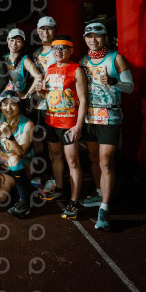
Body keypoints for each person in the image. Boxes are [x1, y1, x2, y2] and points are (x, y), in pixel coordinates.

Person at [79, 22, 134, 231]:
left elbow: (130, 87)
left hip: (110, 116)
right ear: (85, 39)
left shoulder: (116, 58)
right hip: (90, 117)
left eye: (98, 36)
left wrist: (113, 81)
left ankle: (104, 209)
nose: (93, 40)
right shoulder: (83, 61)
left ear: (105, 38)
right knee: (93, 158)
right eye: (89, 36)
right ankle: (99, 193)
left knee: (105, 161)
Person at [39, 34, 88, 220]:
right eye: (55, 48)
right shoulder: (50, 68)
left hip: (69, 124)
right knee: (56, 157)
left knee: (72, 161)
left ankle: (74, 201)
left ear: (71, 50)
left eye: (63, 48)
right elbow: (48, 95)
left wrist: (78, 126)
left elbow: (83, 100)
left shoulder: (76, 69)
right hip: (51, 122)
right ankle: (60, 189)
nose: (58, 51)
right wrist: (40, 92)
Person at [0, 89, 35, 218]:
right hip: (4, 168)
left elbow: (21, 152)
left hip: (23, 166)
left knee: (14, 159)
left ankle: (25, 203)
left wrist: (10, 136)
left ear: (19, 106)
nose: (8, 108)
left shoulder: (28, 124)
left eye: (13, 104)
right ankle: (17, 187)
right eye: (5, 104)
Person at [30, 16, 59, 198]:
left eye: (49, 28)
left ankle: (55, 180)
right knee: (38, 143)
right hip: (38, 104)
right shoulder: (35, 54)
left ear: (55, 30)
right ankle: (43, 174)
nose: (45, 32)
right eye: (42, 29)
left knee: (53, 144)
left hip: (56, 105)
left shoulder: (59, 51)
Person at [4, 28, 43, 108]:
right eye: (12, 40)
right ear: (7, 40)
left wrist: (27, 95)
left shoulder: (24, 60)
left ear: (22, 43)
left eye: (18, 41)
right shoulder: (3, 58)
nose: (14, 44)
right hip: (3, 100)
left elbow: (38, 77)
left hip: (17, 102)